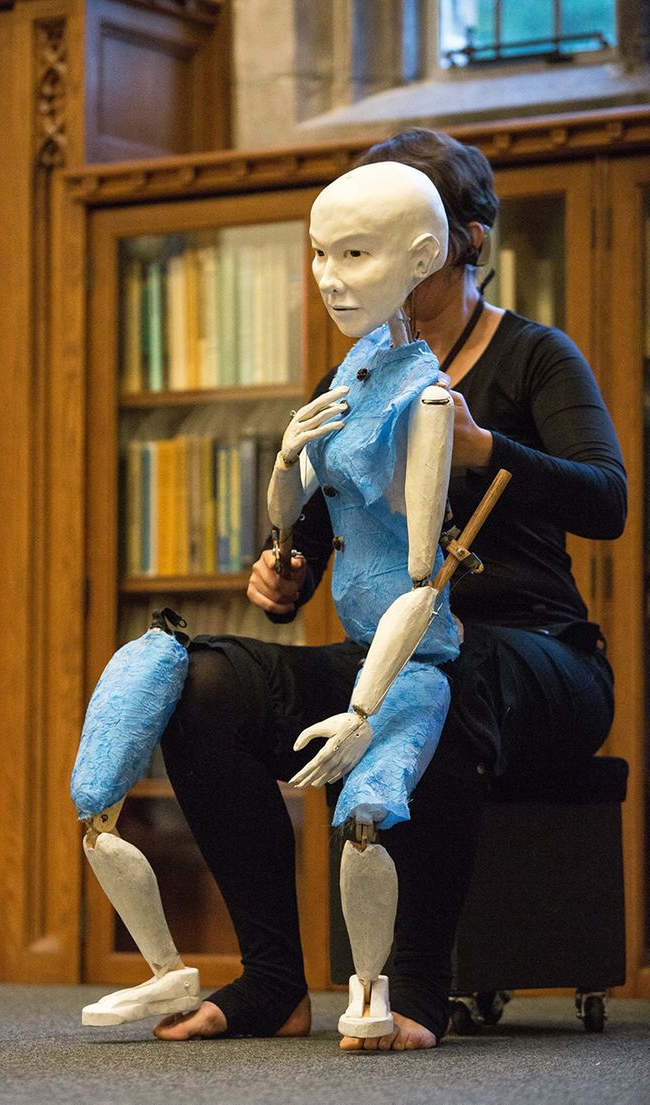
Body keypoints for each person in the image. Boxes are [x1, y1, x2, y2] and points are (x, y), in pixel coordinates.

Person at [154, 128, 627, 1051]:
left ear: (460, 240)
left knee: (439, 670)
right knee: (201, 680)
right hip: (394, 644)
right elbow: (318, 541)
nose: (337, 271)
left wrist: (486, 447)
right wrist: (282, 571)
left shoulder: (534, 356)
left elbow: (606, 499)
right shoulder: (357, 372)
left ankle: (413, 987)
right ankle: (275, 982)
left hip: (540, 659)